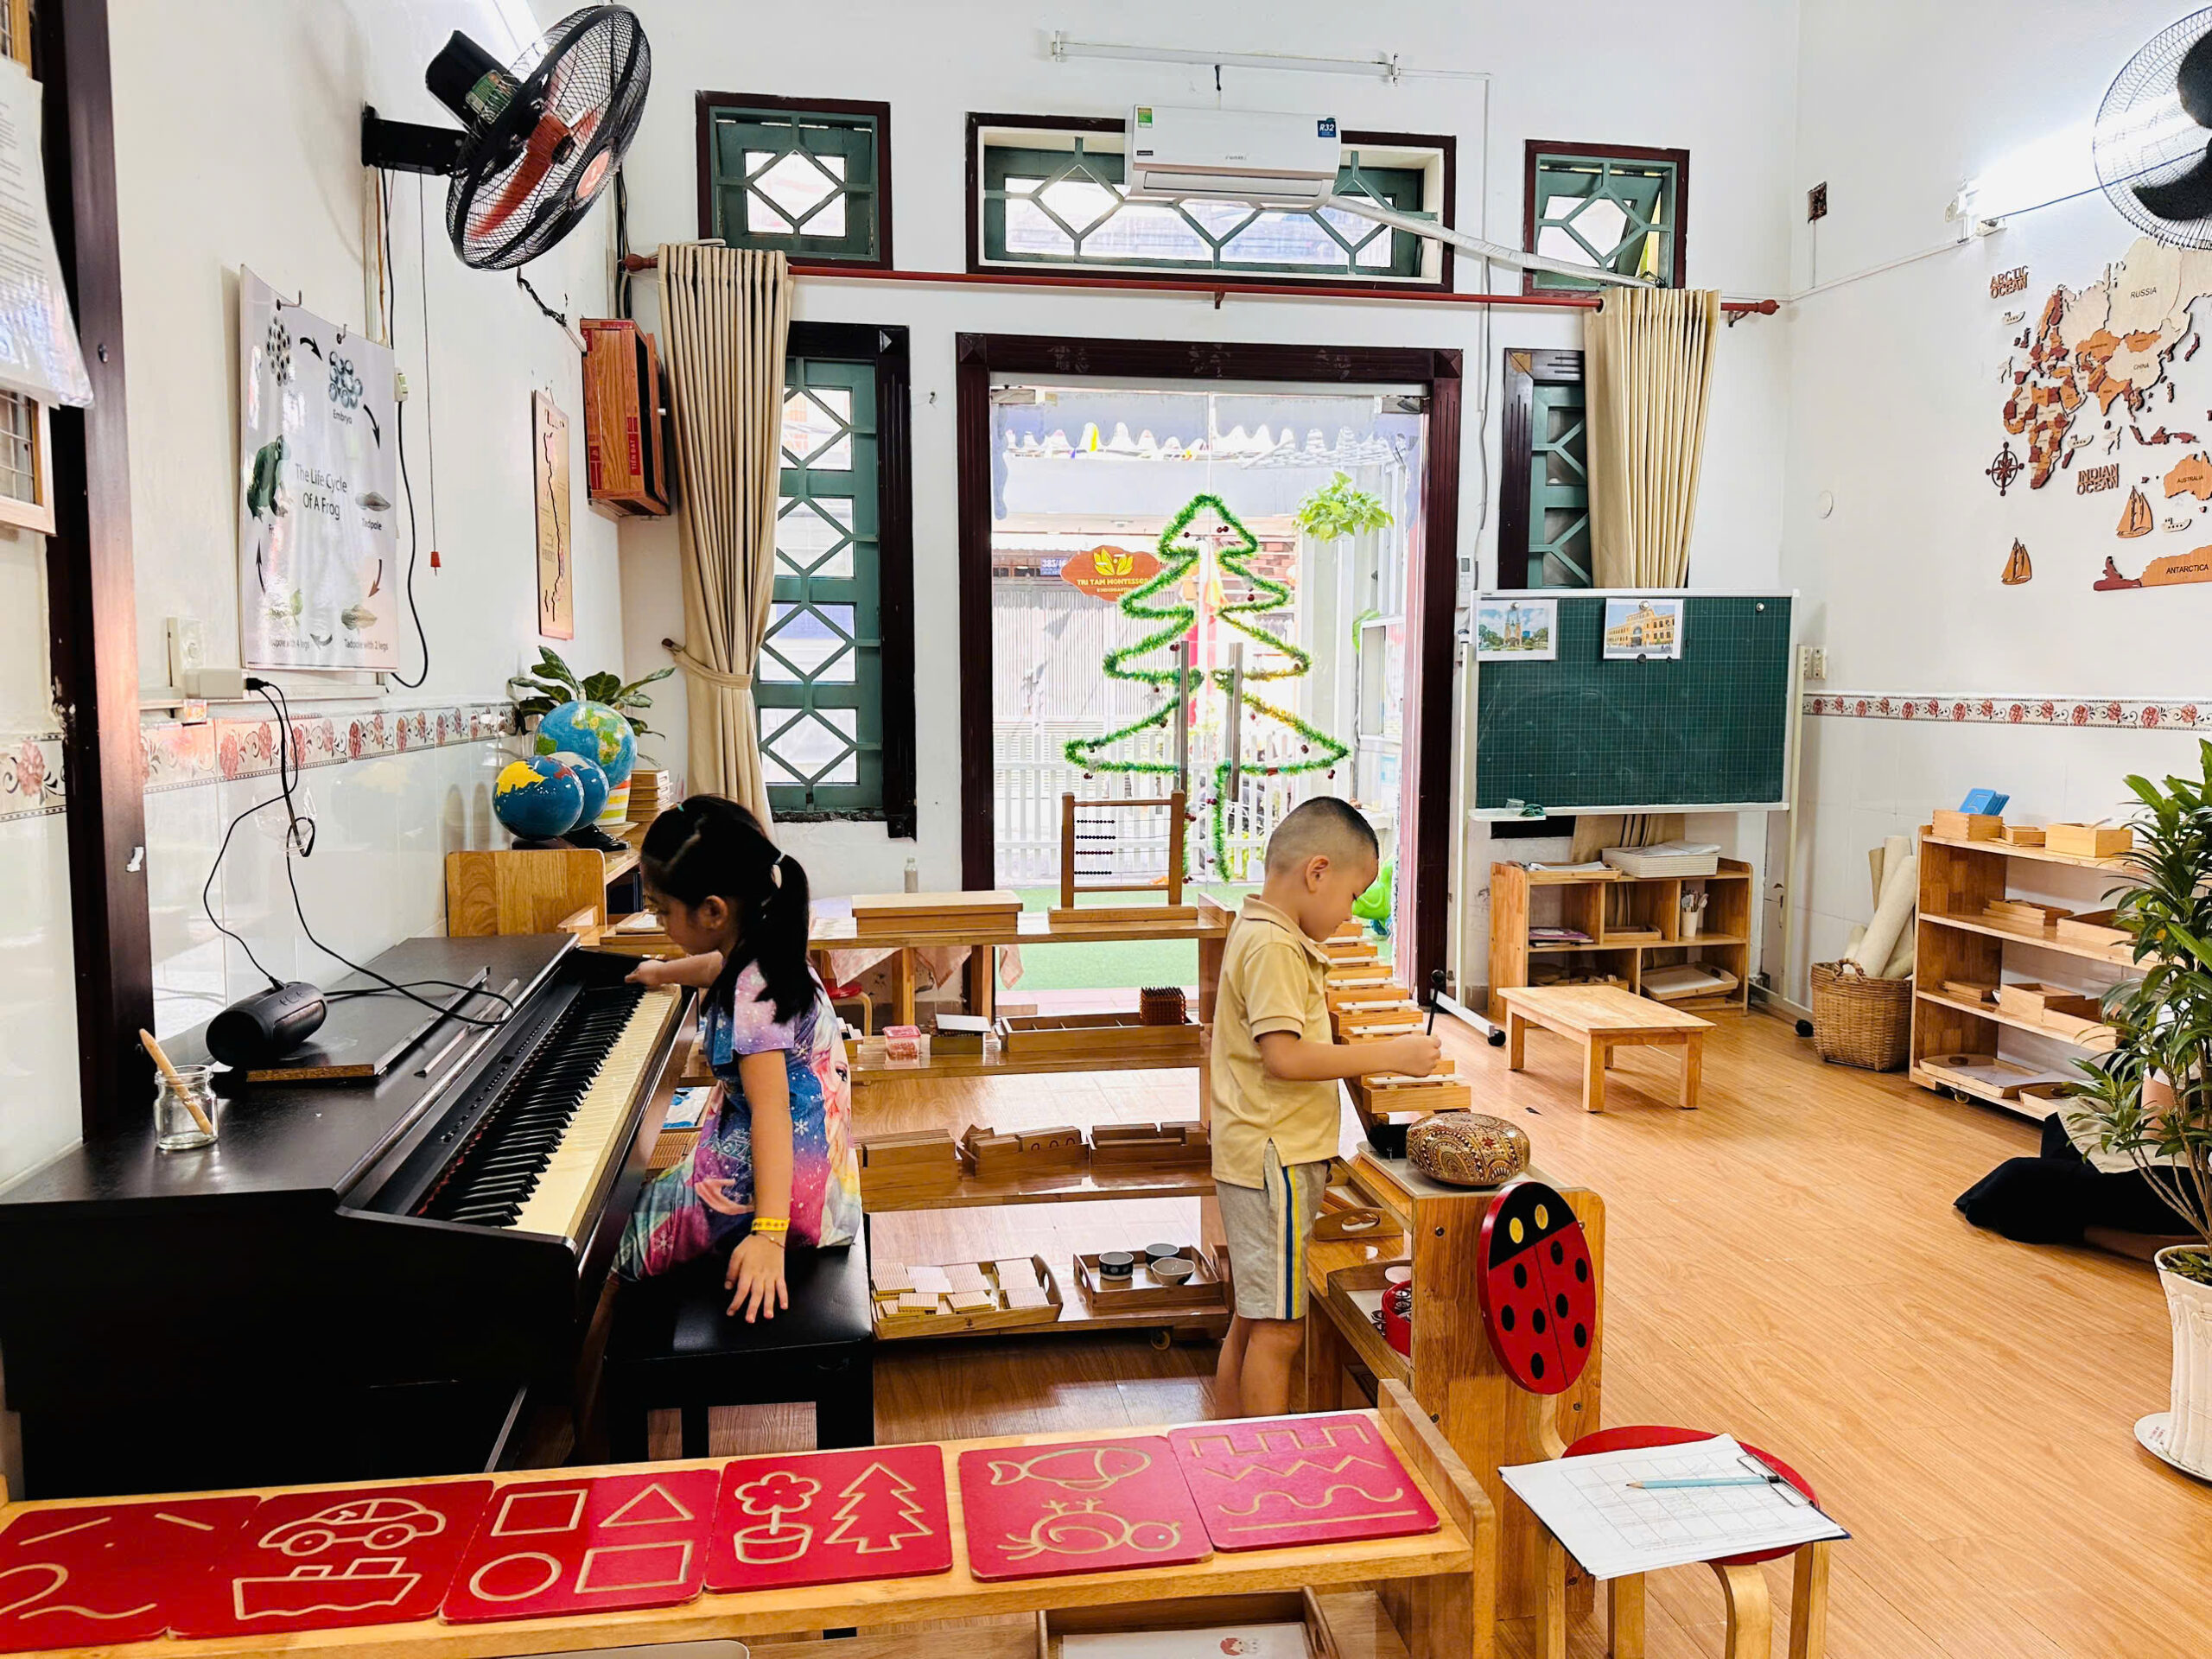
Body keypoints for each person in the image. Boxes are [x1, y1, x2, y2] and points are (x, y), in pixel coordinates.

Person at [1211, 797, 1442, 1419]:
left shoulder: (1263, 931)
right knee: (1280, 1330)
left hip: (1263, 1153)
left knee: (1254, 1318)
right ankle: (1262, 1459)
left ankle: (1224, 1449)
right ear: (1317, 872)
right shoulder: (1275, 948)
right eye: (1352, 895)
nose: (1349, 914)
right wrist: (1390, 1053)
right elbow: (1284, 1057)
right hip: (1276, 1159)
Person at [613, 796, 861, 1320]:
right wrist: (663, 972)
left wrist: (768, 1237)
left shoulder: (752, 996)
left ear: (712, 911)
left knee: (612, 1247)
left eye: (662, 911)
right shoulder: (767, 946)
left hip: (779, 1194)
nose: (659, 922)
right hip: (814, 1167)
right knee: (634, 1200)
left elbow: (771, 1113)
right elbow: (718, 967)